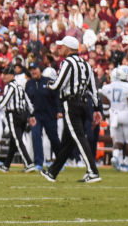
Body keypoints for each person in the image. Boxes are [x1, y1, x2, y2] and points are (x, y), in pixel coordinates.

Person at [42, 37, 102, 183]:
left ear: (68, 48)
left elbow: (57, 85)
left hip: (71, 103)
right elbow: (93, 89)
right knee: (68, 141)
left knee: (78, 136)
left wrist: (48, 84)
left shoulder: (67, 63)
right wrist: (96, 109)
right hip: (84, 103)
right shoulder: (86, 65)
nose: (59, 49)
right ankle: (53, 172)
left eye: (61, 46)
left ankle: (93, 171)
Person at [100, 66, 128, 171]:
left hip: (114, 115)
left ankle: (115, 157)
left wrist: (107, 116)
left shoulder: (108, 87)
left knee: (118, 140)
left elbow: (105, 103)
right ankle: (126, 164)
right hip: (127, 114)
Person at [0, 70, 36, 172]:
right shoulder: (20, 86)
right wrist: (31, 114)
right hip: (23, 115)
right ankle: (6, 165)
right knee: (14, 141)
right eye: (3, 74)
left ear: (12, 75)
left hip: (13, 115)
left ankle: (29, 163)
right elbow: (28, 101)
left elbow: (5, 100)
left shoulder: (10, 86)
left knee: (17, 140)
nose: (4, 77)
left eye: (6, 75)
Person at [25, 63, 59, 171]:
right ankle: (39, 162)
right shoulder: (29, 84)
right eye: (31, 70)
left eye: (35, 69)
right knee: (36, 137)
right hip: (36, 115)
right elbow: (26, 101)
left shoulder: (48, 81)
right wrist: (28, 115)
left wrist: (59, 110)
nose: (33, 71)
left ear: (40, 70)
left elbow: (56, 97)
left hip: (49, 114)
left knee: (53, 137)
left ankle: (60, 160)